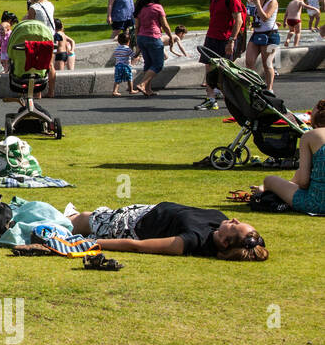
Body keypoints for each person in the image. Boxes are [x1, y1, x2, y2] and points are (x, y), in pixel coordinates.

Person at [67, 202, 267, 260]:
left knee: (79, 220)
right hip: (143, 212)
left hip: (125, 226)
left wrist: (88, 243)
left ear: (224, 242)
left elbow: (136, 246)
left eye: (234, 225)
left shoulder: (192, 241)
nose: (233, 219)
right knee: (78, 218)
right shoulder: (219, 221)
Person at [255, 100, 325, 214]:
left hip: (317, 203)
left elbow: (303, 182)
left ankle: (265, 189)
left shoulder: (310, 136)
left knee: (269, 180)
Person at [196, 0, 246, 110]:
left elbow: (239, 20)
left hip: (225, 38)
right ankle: (211, 98)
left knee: (225, 71)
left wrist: (232, 40)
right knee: (209, 67)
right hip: (212, 36)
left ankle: (235, 99)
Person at [131, 0, 174, 96]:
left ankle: (148, 90)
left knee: (148, 63)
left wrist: (137, 41)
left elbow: (136, 27)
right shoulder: (157, 7)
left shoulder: (139, 8)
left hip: (141, 37)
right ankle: (142, 84)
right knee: (158, 64)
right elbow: (164, 25)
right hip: (153, 37)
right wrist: (171, 37)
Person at [244, 0, 279, 92]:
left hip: (270, 35)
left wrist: (257, 4)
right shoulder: (257, 1)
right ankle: (255, 85)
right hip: (257, 33)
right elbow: (254, 17)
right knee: (249, 61)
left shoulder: (272, 1)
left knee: (267, 63)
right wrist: (250, 7)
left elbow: (265, 17)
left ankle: (269, 89)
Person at [110, 32, 135, 96]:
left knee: (117, 79)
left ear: (119, 41)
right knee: (129, 78)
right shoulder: (128, 49)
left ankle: (115, 91)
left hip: (118, 66)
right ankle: (131, 90)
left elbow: (115, 55)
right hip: (126, 65)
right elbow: (133, 56)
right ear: (128, 41)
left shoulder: (117, 49)